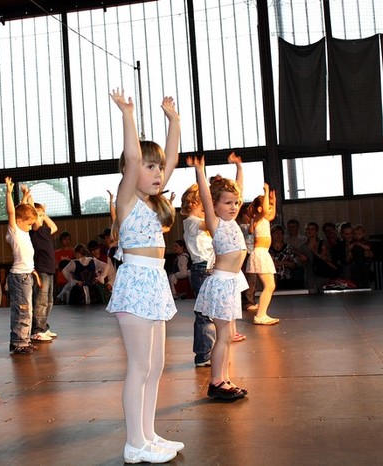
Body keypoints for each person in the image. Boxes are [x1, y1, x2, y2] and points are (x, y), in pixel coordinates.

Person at [105, 89, 183, 464]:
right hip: (135, 282)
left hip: (155, 282)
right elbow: (134, 157)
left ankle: (148, 435)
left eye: (159, 169)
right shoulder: (127, 199)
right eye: (150, 168)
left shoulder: (154, 202)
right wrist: (128, 114)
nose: (157, 173)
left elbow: (173, 158)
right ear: (130, 172)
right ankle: (134, 443)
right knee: (138, 367)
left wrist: (174, 121)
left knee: (156, 365)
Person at [187, 152, 248, 402]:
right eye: (227, 203)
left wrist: (239, 167)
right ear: (215, 205)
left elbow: (239, 189)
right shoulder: (216, 223)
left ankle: (225, 379)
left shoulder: (232, 221)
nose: (233, 207)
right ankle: (216, 382)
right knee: (223, 336)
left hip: (231, 284)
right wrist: (199, 171)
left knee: (229, 335)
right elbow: (205, 195)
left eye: (236, 203)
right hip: (222, 284)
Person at [5, 176, 39, 355]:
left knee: (27, 310)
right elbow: (12, 212)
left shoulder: (23, 232)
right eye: (29, 224)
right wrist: (8, 192)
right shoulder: (15, 232)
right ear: (19, 222)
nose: (31, 227)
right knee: (22, 310)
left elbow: (22, 209)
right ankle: (19, 342)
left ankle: (23, 339)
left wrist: (25, 196)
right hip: (19, 277)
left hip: (26, 276)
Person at [27, 190, 59, 342]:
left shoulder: (45, 231)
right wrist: (31, 201)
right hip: (42, 270)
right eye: (38, 216)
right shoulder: (36, 231)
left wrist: (44, 214)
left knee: (49, 301)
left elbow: (54, 227)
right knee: (41, 300)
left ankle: (43, 326)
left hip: (50, 270)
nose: (40, 218)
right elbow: (34, 218)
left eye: (41, 216)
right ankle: (37, 330)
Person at [245, 184, 279, 325]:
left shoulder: (264, 219)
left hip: (263, 253)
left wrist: (274, 201)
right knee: (269, 286)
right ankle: (260, 315)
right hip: (260, 253)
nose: (269, 210)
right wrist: (266, 192)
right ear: (260, 209)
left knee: (270, 286)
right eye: (268, 207)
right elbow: (266, 210)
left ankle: (261, 313)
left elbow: (272, 214)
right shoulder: (258, 218)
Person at [269, 224, 303, 289]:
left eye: (280, 233)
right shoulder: (267, 249)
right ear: (272, 235)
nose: (278, 235)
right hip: (270, 279)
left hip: (286, 280)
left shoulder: (289, 248)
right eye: (276, 233)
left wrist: (286, 263)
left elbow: (294, 264)